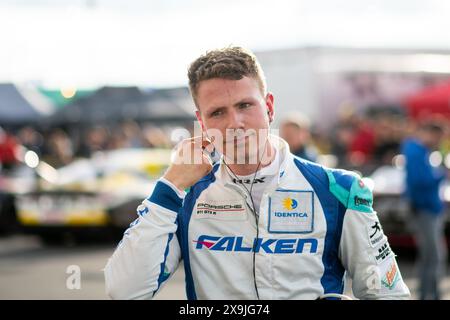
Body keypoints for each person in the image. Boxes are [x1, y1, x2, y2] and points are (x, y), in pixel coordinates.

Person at [104, 47, 410, 300]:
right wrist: (168, 187)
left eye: (245, 105)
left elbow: (388, 294)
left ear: (269, 107)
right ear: (201, 121)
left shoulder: (339, 189)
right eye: (217, 112)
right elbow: (124, 292)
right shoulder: (184, 197)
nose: (234, 123)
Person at [401, 122, 448, 300]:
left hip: (426, 209)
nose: (438, 141)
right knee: (433, 257)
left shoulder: (418, 151)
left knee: (429, 256)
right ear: (428, 133)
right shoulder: (416, 152)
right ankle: (430, 294)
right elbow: (420, 182)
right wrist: (441, 175)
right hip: (424, 210)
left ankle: (427, 293)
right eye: (438, 137)